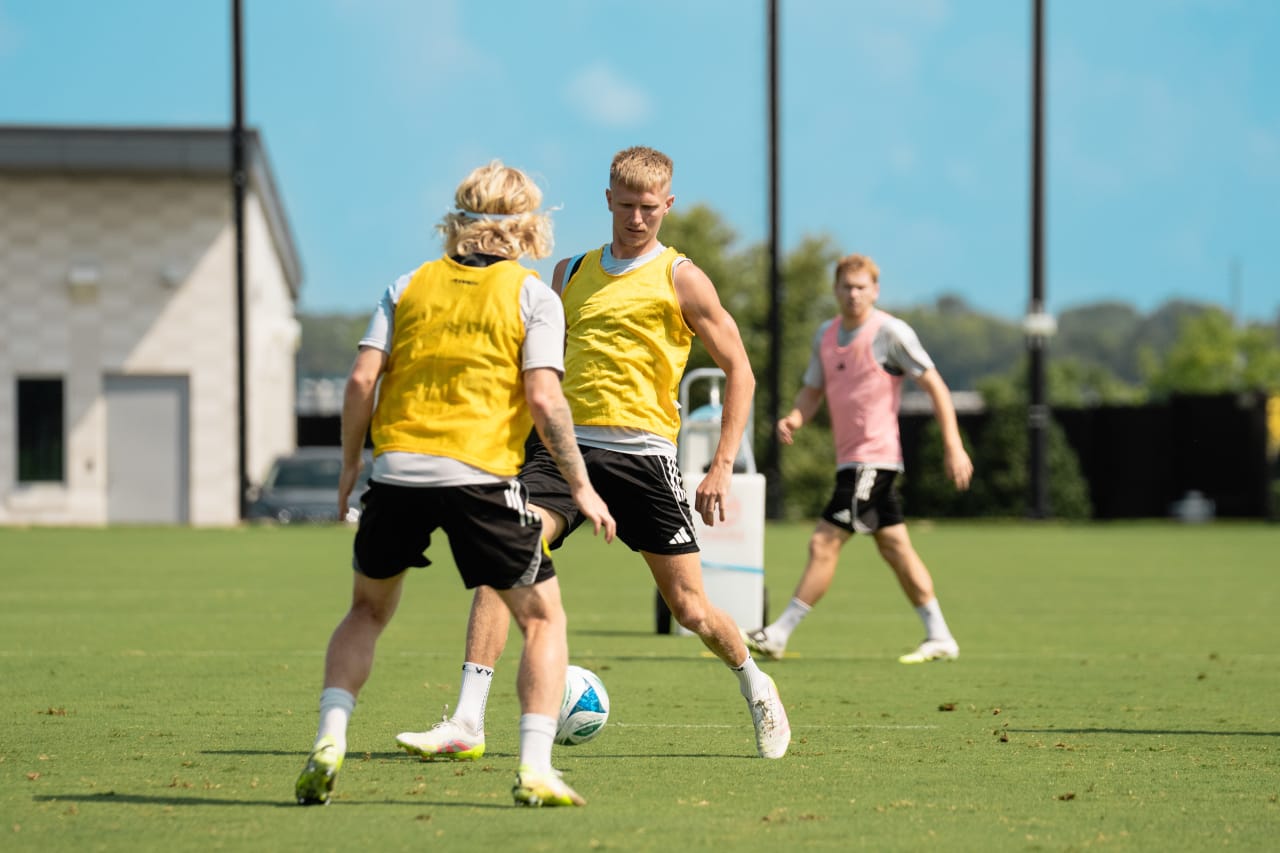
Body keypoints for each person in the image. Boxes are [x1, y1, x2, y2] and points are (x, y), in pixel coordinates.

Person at [393, 145, 791, 762]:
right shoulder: (569, 273)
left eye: (650, 209)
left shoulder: (682, 276)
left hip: (646, 460)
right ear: (608, 199)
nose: (637, 219)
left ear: (668, 206)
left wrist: (720, 464)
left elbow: (739, 369)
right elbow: (535, 374)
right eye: (627, 206)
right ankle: (467, 721)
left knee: (689, 608)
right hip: (565, 454)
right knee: (507, 555)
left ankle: (756, 683)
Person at [294, 161, 616, 809]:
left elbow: (361, 382)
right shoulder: (533, 295)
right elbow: (545, 396)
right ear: (530, 226)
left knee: (366, 610)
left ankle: (330, 739)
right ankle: (534, 767)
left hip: (397, 470)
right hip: (480, 477)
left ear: (458, 219)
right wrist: (581, 485)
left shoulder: (408, 283)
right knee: (543, 618)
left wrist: (352, 466)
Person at [742, 253, 973, 664]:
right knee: (896, 548)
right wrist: (795, 417)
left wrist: (953, 445)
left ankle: (779, 632)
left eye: (862, 287)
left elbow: (934, 384)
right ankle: (940, 636)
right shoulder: (826, 335)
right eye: (846, 287)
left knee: (824, 541)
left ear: (875, 291)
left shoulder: (891, 333)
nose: (853, 294)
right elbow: (812, 390)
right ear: (835, 290)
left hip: (874, 460)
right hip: (850, 460)